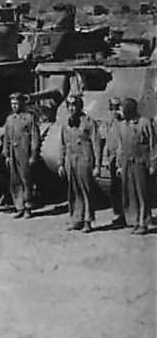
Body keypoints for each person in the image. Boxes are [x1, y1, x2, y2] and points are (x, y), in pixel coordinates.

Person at [103, 97, 155, 235]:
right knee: (131, 194)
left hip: (141, 162)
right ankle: (136, 221)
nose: (120, 111)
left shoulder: (144, 123)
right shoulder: (122, 126)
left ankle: (144, 221)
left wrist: (153, 164)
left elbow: (153, 145)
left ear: (129, 109)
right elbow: (120, 148)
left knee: (142, 193)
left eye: (122, 108)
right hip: (127, 164)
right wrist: (119, 165)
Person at [58, 94, 102, 232]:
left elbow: (96, 144)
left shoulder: (89, 122)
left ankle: (88, 220)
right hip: (70, 160)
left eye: (74, 105)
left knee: (86, 191)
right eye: (69, 106)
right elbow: (62, 144)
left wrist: (97, 166)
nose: (71, 108)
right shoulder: (66, 123)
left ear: (80, 106)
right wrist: (60, 163)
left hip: (84, 159)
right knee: (74, 190)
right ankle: (77, 219)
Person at [0, 93, 41, 218]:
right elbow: (6, 138)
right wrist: (6, 154)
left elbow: (35, 138)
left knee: (26, 180)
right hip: (13, 152)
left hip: (24, 152)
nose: (14, 106)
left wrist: (34, 154)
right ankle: (19, 206)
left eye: (16, 103)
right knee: (15, 180)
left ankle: (28, 206)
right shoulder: (10, 119)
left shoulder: (29, 118)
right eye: (12, 104)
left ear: (22, 103)